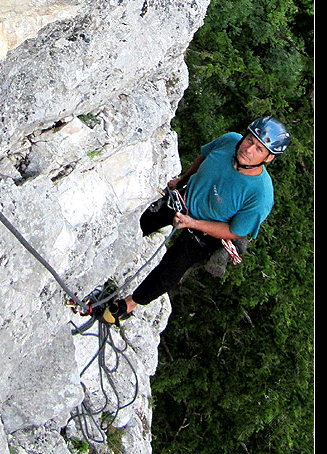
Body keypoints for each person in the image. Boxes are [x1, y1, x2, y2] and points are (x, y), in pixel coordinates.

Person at [103, 116, 290, 324]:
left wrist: (193, 223)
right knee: (140, 223)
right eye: (249, 140)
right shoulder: (229, 141)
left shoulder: (260, 195)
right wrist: (183, 179)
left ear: (268, 158)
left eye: (259, 149)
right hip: (184, 199)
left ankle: (129, 304)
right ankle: (103, 258)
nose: (248, 149)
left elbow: (234, 231)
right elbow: (204, 158)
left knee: (170, 271)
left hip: (207, 231)